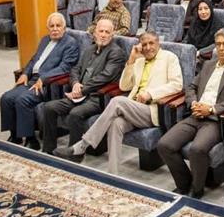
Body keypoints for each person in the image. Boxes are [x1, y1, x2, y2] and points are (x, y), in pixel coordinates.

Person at [54, 31, 183, 173]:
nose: (148, 48)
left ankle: (82, 146)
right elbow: (124, 86)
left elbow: (177, 85)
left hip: (152, 110)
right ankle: (113, 173)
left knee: (117, 101)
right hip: (133, 108)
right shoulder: (139, 61)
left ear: (158, 43)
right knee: (116, 124)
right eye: (144, 44)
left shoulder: (169, 58)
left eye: (151, 43)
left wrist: (151, 94)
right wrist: (131, 60)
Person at [157, 28, 224, 198]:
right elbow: (191, 87)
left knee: (197, 149)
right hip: (195, 115)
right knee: (164, 145)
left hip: (214, 120)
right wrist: (194, 103)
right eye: (218, 44)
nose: (221, 48)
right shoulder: (208, 65)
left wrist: (212, 109)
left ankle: (197, 189)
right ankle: (184, 184)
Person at [40, 19, 126, 154]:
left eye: (107, 32)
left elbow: (105, 77)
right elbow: (75, 69)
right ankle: (48, 150)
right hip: (78, 95)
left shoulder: (116, 53)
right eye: (101, 31)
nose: (103, 35)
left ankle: (74, 154)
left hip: (97, 99)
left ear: (112, 35)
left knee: (75, 113)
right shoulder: (89, 49)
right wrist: (75, 84)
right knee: (49, 107)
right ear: (95, 33)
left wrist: (82, 90)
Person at [0, 12, 80, 147]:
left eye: (58, 26)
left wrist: (44, 78)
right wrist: (25, 73)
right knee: (6, 97)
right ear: (48, 28)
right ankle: (15, 135)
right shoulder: (44, 40)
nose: (55, 29)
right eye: (52, 26)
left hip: (49, 84)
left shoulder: (70, 43)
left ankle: (31, 139)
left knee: (22, 100)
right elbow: (34, 60)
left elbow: (65, 67)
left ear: (64, 28)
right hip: (32, 79)